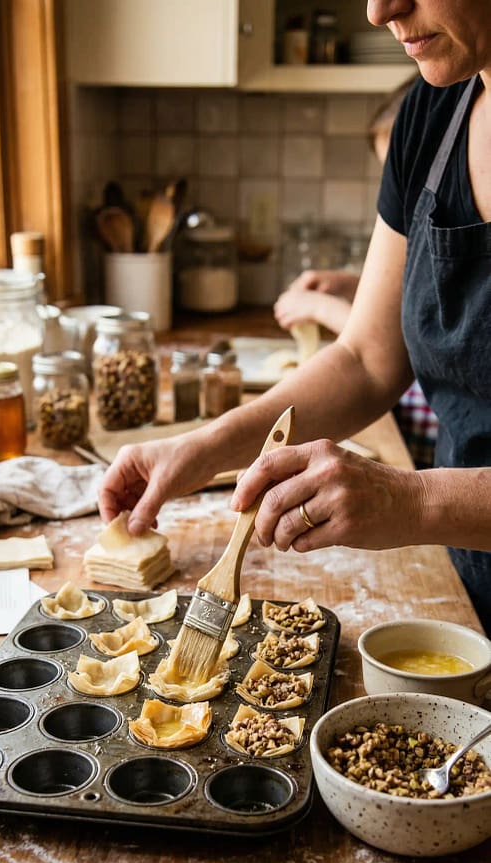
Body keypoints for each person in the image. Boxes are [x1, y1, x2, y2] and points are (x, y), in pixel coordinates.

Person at [99, 0, 491, 636]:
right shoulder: (431, 113)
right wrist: (205, 447)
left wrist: (410, 499)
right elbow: (366, 359)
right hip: (467, 585)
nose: (378, 10)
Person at [273, 73, 439, 471]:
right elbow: (417, 292)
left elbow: (393, 344)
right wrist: (357, 288)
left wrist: (322, 308)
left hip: (443, 450)